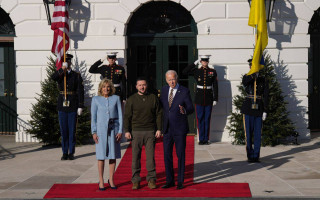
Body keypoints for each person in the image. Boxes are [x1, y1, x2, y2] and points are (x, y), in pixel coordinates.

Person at [124, 77, 162, 190]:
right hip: (136, 132)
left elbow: (159, 114)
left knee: (150, 158)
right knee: (135, 157)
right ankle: (135, 180)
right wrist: (127, 130)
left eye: (144, 85)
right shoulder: (131, 99)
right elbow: (127, 116)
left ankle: (151, 179)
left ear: (147, 85)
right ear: (136, 86)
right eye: (140, 85)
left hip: (150, 131)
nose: (142, 87)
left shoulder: (153, 98)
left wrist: (159, 129)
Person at [159, 70, 194, 190]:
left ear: (177, 78)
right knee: (167, 155)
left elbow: (190, 108)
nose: (171, 81)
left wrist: (185, 110)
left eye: (173, 79)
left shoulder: (184, 91)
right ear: (166, 80)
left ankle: (180, 181)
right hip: (167, 129)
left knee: (180, 155)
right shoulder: (163, 90)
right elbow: (161, 108)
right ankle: (170, 180)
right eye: (169, 80)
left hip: (179, 129)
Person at [91, 78, 123, 190]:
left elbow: (120, 115)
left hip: (113, 130)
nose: (106, 89)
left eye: (108, 86)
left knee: (113, 156)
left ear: (111, 88)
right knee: (101, 156)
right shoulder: (95, 99)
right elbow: (93, 117)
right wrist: (93, 132)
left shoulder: (116, 98)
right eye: (104, 87)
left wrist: (120, 131)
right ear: (100, 88)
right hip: (100, 131)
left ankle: (111, 179)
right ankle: (101, 181)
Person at [51, 53, 84, 160]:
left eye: (68, 61)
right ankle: (64, 152)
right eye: (65, 61)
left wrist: (80, 106)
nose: (67, 63)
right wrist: (62, 70)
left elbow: (80, 91)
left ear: (71, 62)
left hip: (73, 104)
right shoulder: (60, 74)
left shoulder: (76, 75)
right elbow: (53, 77)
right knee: (63, 130)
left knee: (71, 130)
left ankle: (71, 152)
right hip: (62, 104)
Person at [183, 55, 218, 145]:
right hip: (199, 98)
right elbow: (184, 71)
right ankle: (201, 138)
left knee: (207, 119)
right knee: (200, 118)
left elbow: (215, 86)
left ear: (208, 62)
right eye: (203, 61)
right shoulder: (197, 71)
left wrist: (215, 98)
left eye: (206, 61)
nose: (204, 62)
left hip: (209, 98)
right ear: (201, 62)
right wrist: (194, 63)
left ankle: (206, 139)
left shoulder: (212, 72)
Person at [241, 59, 269, 163]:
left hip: (259, 109)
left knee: (258, 134)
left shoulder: (263, 79)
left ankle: (256, 155)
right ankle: (250, 155)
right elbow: (245, 82)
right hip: (248, 108)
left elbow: (266, 95)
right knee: (248, 134)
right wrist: (253, 75)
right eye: (252, 66)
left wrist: (265, 110)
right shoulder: (247, 77)